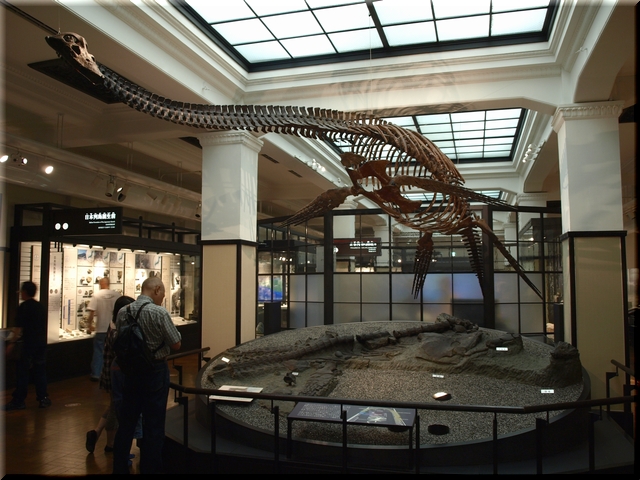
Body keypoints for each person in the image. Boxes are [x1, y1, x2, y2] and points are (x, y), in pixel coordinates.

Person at [112, 277, 181, 474]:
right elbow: (176, 343)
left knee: (126, 424)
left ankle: (119, 468)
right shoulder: (159, 312)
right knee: (153, 425)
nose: (162, 298)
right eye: (163, 294)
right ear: (157, 289)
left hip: (130, 372)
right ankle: (150, 468)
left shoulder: (124, 312)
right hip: (155, 371)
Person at [86, 296, 135, 454]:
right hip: (116, 372)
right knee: (115, 407)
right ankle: (110, 443)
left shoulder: (114, 324)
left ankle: (96, 433)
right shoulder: (117, 328)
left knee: (114, 404)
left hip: (111, 370)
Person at [4, 281, 51, 410]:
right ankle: (43, 398)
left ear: (24, 292)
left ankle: (19, 400)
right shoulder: (40, 307)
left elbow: (18, 328)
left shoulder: (23, 307)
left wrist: (11, 343)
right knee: (40, 371)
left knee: (23, 372)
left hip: (28, 344)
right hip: (40, 343)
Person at [87, 277, 121, 381]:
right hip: (114, 328)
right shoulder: (117, 295)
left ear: (101, 284)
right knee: (114, 352)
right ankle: (112, 374)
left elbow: (91, 312)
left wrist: (89, 325)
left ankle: (96, 374)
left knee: (98, 352)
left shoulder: (97, 295)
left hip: (101, 329)